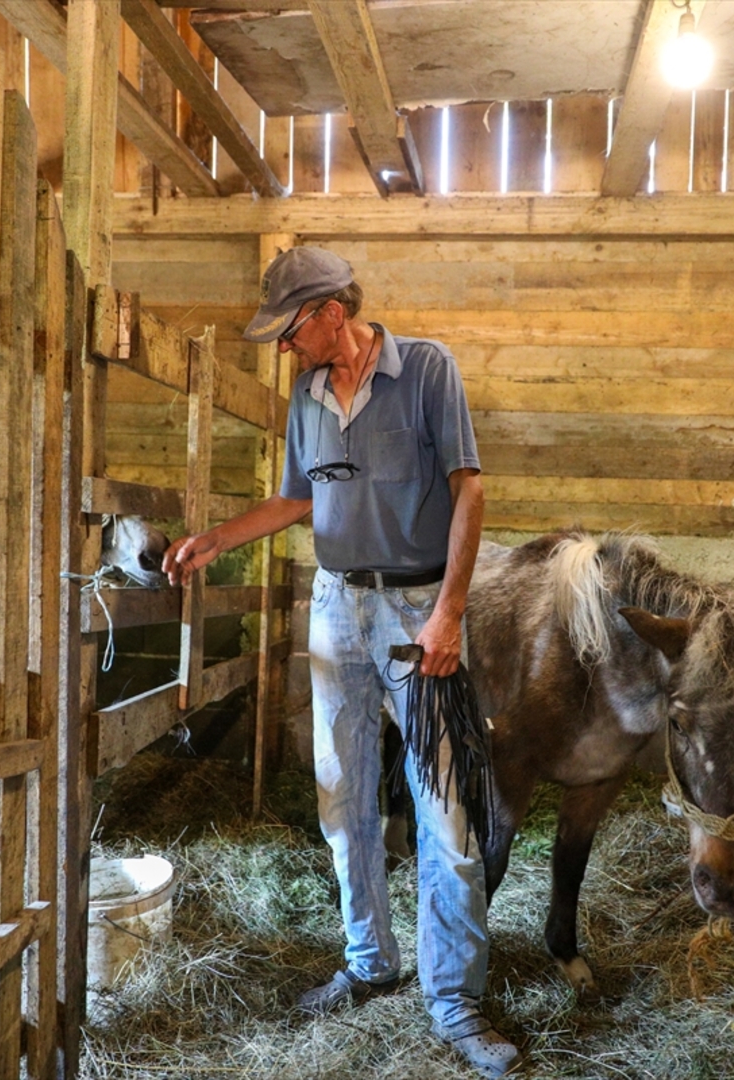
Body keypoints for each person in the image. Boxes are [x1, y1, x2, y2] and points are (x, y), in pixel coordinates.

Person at [161, 247, 516, 1077]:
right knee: (341, 792)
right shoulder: (306, 393)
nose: (283, 348)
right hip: (334, 608)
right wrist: (219, 537)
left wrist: (449, 614)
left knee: (445, 806)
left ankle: (456, 996)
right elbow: (297, 498)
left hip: (414, 613)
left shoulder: (427, 370)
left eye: (289, 331)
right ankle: (368, 959)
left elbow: (470, 491)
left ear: (328, 312)